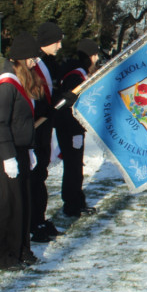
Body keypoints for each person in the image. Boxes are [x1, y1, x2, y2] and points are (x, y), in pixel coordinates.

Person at [0, 33, 44, 270]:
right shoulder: (6, 84)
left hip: (19, 149)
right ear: (21, 58)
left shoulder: (19, 81)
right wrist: (8, 157)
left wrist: (28, 149)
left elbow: (21, 121)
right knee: (8, 204)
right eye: (32, 58)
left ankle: (20, 249)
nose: (35, 63)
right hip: (5, 151)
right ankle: (0, 256)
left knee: (22, 202)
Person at [56, 38, 100, 217]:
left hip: (73, 129)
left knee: (75, 167)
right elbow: (71, 107)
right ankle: (72, 205)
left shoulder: (79, 73)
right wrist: (75, 132)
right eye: (95, 55)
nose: (97, 58)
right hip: (70, 129)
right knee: (73, 168)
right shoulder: (76, 76)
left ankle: (76, 201)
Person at [30, 21, 64, 243]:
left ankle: (40, 218)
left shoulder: (49, 62)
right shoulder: (34, 63)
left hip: (45, 126)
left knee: (41, 174)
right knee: (34, 177)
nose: (60, 46)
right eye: (57, 41)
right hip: (34, 128)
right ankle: (33, 223)